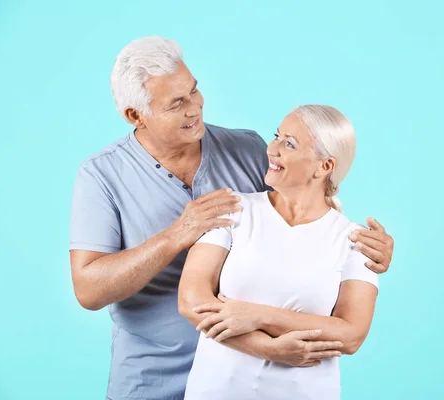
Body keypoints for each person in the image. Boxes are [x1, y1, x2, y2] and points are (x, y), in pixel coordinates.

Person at [69, 36, 395, 400]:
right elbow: (88, 289)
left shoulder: (247, 149)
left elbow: (303, 208)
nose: (195, 108)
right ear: (135, 116)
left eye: (194, 91)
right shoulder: (101, 176)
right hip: (151, 376)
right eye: (177, 103)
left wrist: (364, 250)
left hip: (250, 376)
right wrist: (178, 234)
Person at [178, 104, 379, 400]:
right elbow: (191, 300)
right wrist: (269, 349)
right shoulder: (233, 209)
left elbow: (350, 335)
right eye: (277, 136)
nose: (272, 149)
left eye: (289, 144)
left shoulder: (354, 239)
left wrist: (257, 315)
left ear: (324, 167)